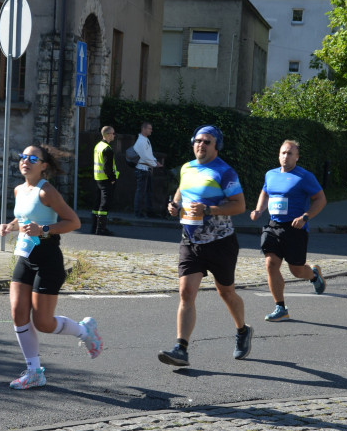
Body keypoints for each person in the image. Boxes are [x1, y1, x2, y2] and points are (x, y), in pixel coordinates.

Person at [0, 144, 102, 390]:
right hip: (25, 257)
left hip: (48, 258)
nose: (26, 161)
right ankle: (34, 372)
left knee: (43, 322)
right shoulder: (18, 190)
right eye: (23, 156)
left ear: (43, 165)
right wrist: (10, 226)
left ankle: (84, 330)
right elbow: (24, 217)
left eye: (33, 158)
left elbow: (73, 221)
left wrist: (44, 229)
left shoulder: (47, 192)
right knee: (17, 311)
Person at [159, 126, 249, 367]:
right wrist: (174, 205)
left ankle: (242, 330)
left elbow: (239, 206)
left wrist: (209, 210)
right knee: (186, 293)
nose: (201, 145)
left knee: (226, 292)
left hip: (220, 242)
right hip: (190, 241)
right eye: (197, 140)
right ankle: (181, 348)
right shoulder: (187, 168)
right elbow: (180, 192)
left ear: (216, 146)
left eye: (207, 142)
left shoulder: (225, 172)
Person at [250, 140, 328, 322]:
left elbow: (321, 199)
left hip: (295, 228)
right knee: (270, 264)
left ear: (297, 157)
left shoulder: (304, 176)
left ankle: (314, 274)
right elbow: (265, 192)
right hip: (273, 226)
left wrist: (305, 217)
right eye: (283, 153)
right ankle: (280, 307)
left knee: (297, 271)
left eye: (290, 153)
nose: (286, 156)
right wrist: (259, 210)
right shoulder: (270, 174)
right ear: (279, 155)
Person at [91, 125, 118, 236]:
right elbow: (107, 167)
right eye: (113, 133)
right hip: (106, 180)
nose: (114, 135)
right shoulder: (107, 149)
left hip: (98, 178)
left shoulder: (98, 146)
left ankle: (94, 227)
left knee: (97, 203)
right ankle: (101, 229)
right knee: (104, 204)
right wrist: (112, 179)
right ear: (107, 134)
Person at [132, 121, 162, 218]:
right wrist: (155, 164)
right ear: (143, 129)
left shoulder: (145, 140)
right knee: (141, 192)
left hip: (146, 169)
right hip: (142, 169)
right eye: (149, 128)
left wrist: (155, 162)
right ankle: (138, 212)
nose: (151, 130)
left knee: (148, 192)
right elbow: (144, 156)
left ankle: (149, 212)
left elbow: (149, 154)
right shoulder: (141, 141)